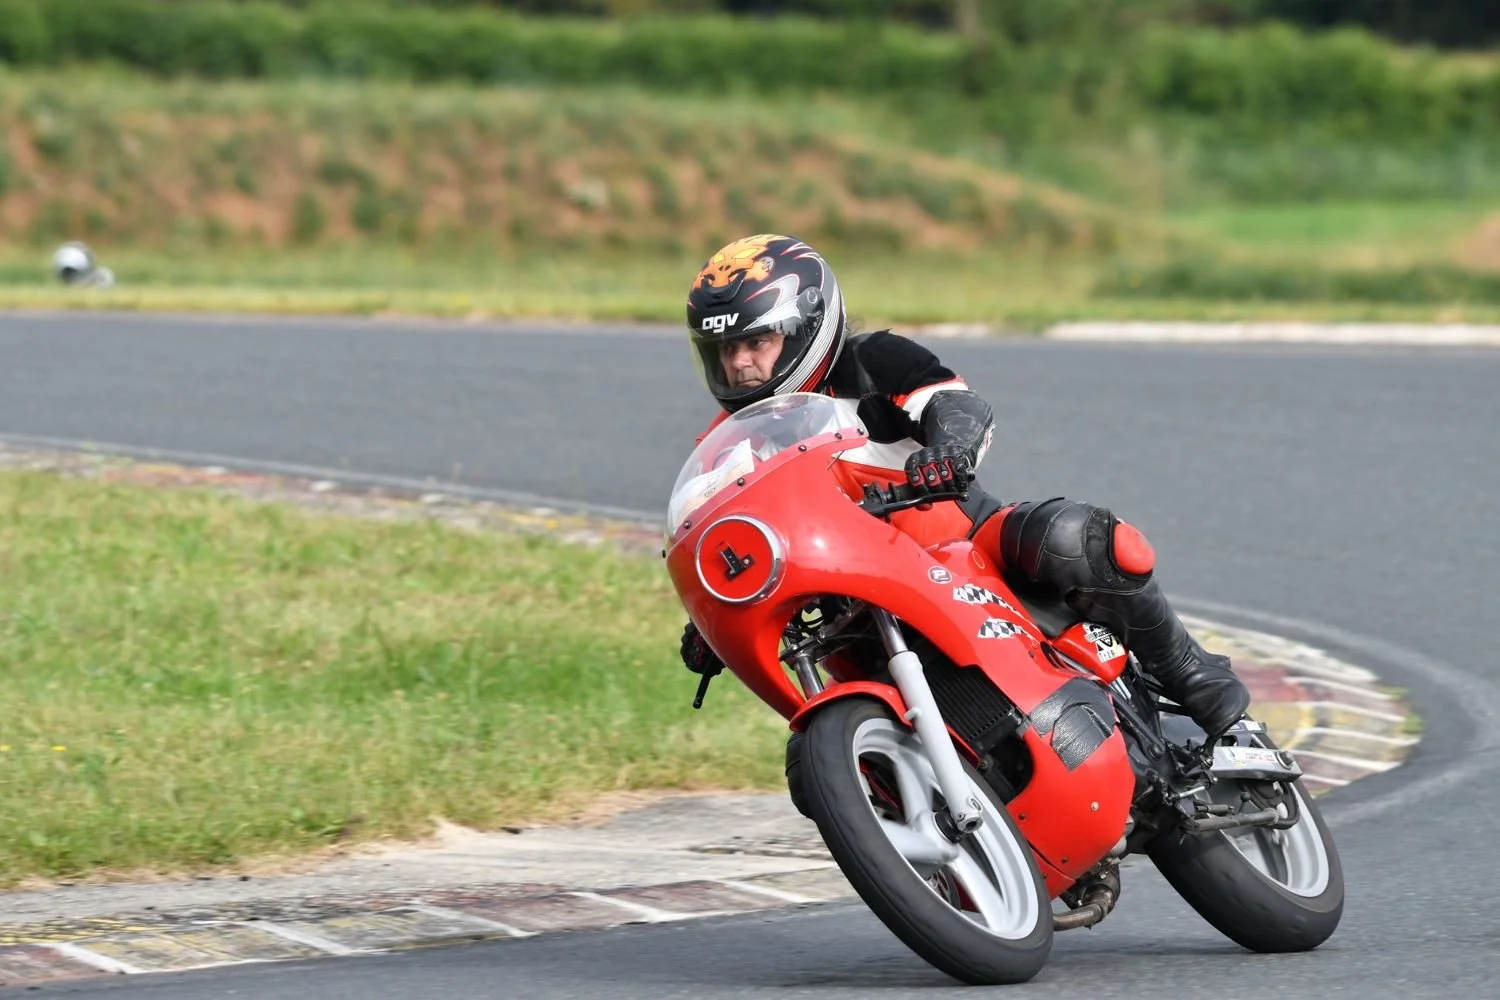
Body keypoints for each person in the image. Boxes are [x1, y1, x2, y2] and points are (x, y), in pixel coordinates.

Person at [675, 234, 1250, 739]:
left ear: (806, 329)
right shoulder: (729, 442)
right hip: (851, 601)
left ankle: (1194, 678)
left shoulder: (871, 361)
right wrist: (713, 619)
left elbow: (955, 402)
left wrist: (949, 450)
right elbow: (719, 532)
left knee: (1073, 536)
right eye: (726, 350)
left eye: (757, 343)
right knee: (808, 765)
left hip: (960, 544)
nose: (740, 364)